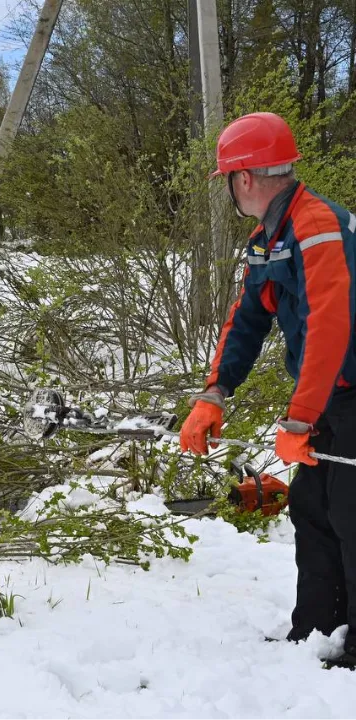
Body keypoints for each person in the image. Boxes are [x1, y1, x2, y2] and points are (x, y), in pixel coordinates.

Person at [179, 112, 356, 669]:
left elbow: (333, 324)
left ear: (245, 178)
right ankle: (319, 629)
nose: (230, 190)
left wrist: (300, 419)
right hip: (329, 394)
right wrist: (215, 392)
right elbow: (246, 319)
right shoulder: (270, 238)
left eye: (228, 179)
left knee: (352, 516)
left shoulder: (317, 224)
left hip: (349, 392)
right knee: (313, 510)